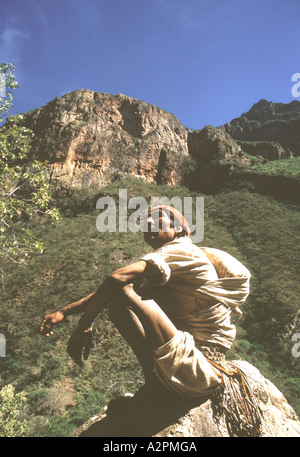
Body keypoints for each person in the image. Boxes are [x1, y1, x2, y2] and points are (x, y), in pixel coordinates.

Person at [40, 205, 251, 399]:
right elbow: (111, 288)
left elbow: (117, 280)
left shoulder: (182, 250)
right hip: (187, 370)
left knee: (123, 291)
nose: (148, 224)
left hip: (200, 369)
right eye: (145, 222)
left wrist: (84, 325)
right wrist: (64, 312)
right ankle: (154, 385)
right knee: (118, 306)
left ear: (177, 228)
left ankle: (154, 386)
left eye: (158, 220)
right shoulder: (170, 259)